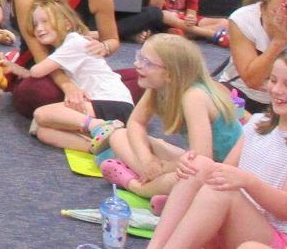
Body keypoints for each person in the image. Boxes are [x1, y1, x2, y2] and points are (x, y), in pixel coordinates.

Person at [147, 47, 287, 249]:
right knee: (200, 165)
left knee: (222, 192)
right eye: (273, 80)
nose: (276, 90)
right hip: (239, 221)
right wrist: (191, 167)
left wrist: (248, 182)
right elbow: (223, 172)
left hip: (280, 240)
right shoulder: (259, 122)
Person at [100, 34, 243, 200]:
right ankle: (162, 189)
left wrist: (166, 167)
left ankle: (137, 186)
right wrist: (148, 160)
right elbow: (136, 123)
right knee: (119, 135)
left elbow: (202, 159)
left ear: (170, 74)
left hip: (222, 172)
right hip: (198, 160)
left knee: (184, 176)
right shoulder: (156, 85)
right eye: (139, 57)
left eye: (147, 62)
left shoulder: (194, 96)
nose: (136, 64)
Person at [0, 0, 134, 152]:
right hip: (103, 105)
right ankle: (100, 147)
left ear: (67, 24)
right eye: (36, 25)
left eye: (45, 21)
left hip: (113, 103)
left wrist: (20, 68)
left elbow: (37, 71)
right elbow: (40, 73)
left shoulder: (74, 42)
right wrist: (15, 68)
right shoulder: (64, 48)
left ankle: (99, 127)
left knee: (41, 114)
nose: (39, 28)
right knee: (42, 131)